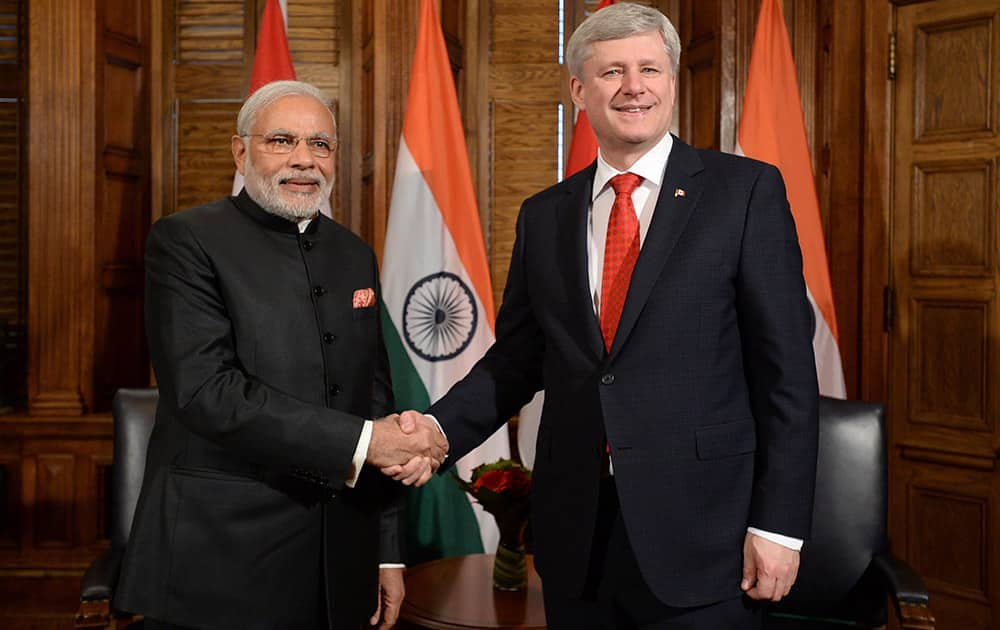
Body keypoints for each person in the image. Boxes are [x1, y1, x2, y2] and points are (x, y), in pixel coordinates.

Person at [388, 4, 819, 628]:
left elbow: (787, 376)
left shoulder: (745, 192)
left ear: (672, 81)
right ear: (579, 89)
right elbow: (517, 359)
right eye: (612, 71)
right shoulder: (545, 214)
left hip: (705, 536)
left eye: (650, 69)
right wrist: (437, 430)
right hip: (577, 538)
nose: (634, 86)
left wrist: (779, 525)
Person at [114, 80, 447, 630]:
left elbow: (375, 400)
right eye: (282, 140)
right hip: (220, 553)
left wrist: (387, 551)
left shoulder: (354, 253)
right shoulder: (185, 241)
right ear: (241, 152)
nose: (304, 160)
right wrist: (367, 441)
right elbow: (206, 393)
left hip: (341, 554)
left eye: (321, 144)